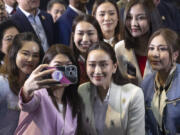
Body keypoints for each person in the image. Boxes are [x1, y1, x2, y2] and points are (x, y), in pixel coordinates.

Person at [14, 44, 90, 135]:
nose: (64, 71)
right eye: (58, 66)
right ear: (47, 68)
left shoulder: (72, 103)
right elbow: (27, 103)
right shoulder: (39, 95)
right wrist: (26, 90)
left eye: (68, 66)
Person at [78, 41, 145, 135]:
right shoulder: (82, 91)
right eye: (92, 65)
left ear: (114, 67)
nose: (97, 71)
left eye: (103, 64)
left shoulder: (134, 94)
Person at [0, 32, 44, 135]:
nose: (30, 59)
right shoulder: (2, 83)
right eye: (25, 53)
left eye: (35, 55)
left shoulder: (35, 86)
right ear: (14, 53)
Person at [141, 28, 180, 135]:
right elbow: (146, 126)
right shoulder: (146, 84)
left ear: (175, 55)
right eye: (151, 48)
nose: (155, 54)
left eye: (162, 49)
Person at [115, 0, 161, 85]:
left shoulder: (163, 49)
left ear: (151, 19)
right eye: (129, 17)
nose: (134, 23)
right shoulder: (120, 49)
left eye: (141, 18)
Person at [71, 14, 103, 84]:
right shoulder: (68, 63)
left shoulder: (107, 60)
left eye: (90, 33)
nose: (85, 39)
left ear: (98, 36)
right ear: (73, 36)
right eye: (80, 33)